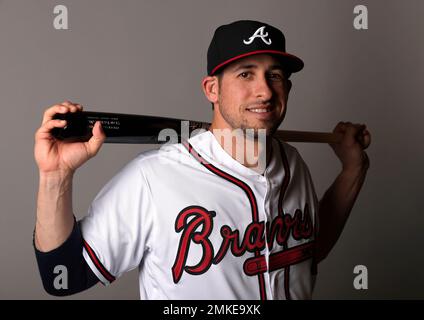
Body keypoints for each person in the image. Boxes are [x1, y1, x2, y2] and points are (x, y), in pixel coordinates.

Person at [33, 20, 371, 300]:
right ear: (211, 89)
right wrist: (55, 176)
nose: (265, 91)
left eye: (276, 75)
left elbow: (309, 249)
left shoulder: (293, 163)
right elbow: (63, 275)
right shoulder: (154, 178)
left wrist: (354, 169)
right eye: (245, 74)